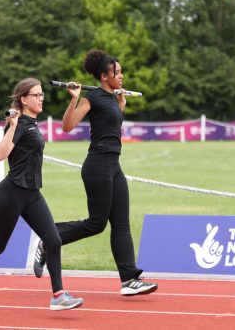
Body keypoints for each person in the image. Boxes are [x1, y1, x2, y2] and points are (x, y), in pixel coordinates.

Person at [0, 78, 83, 317]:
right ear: (24, 99)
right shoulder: (19, 123)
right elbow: (0, 155)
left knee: (53, 241)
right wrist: (11, 126)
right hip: (12, 193)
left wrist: (74, 99)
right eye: (37, 95)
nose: (42, 98)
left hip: (32, 194)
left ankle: (58, 295)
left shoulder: (31, 122)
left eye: (42, 94)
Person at [32, 50, 158, 296]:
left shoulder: (113, 98)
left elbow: (110, 124)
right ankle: (49, 238)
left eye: (121, 72)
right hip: (97, 165)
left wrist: (121, 106)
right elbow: (67, 127)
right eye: (117, 72)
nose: (121, 76)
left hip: (114, 166)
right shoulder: (93, 98)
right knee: (96, 224)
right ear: (103, 76)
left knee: (121, 223)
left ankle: (129, 279)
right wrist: (74, 98)